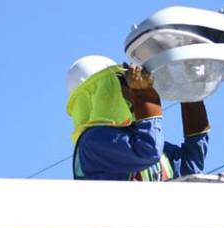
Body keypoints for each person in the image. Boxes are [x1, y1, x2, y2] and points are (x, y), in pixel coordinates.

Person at [65, 55, 209, 181]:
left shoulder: (135, 139)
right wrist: (143, 94)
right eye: (122, 81)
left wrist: (190, 94)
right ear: (103, 92)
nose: (130, 87)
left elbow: (190, 167)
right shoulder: (92, 142)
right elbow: (148, 151)